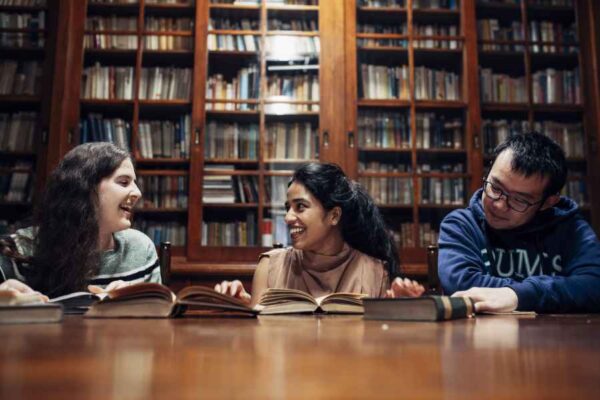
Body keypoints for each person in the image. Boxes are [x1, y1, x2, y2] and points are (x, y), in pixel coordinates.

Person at [215, 162, 424, 306]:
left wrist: (405, 310)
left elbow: (382, 347)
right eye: (288, 207)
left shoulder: (376, 271)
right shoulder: (270, 266)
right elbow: (257, 343)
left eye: (300, 207)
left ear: (334, 216)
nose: (288, 218)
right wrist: (241, 308)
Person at [439, 132, 600, 313]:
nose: (499, 205)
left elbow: (594, 285)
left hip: (556, 338)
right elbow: (462, 285)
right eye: (495, 187)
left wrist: (518, 295)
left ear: (547, 203)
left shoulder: (571, 229)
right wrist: (555, 292)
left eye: (519, 200)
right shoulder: (462, 225)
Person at [0, 142, 161, 299]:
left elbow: (159, 318)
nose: (138, 193)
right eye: (124, 182)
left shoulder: (141, 249)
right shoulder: (18, 249)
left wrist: (136, 301)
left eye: (135, 183)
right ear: (86, 189)